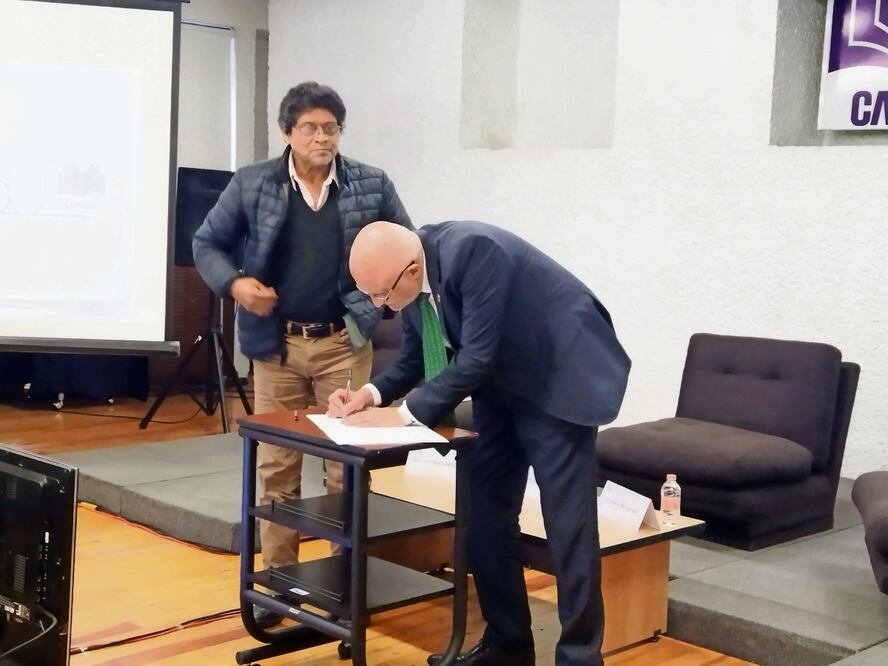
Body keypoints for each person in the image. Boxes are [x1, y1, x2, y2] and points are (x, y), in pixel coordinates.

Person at [328, 220, 630, 666]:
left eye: (381, 296)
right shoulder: (411, 277)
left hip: (560, 379)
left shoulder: (475, 251)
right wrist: (368, 396)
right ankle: (507, 644)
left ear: (410, 271)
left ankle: (580, 658)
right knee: (484, 511)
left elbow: (475, 357)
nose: (380, 307)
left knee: (568, 527)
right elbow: (415, 356)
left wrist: (404, 416)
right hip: (503, 386)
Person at [192, 83, 412, 628]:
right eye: (310, 127)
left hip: (343, 342)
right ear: (287, 133)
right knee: (277, 469)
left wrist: (379, 306)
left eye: (331, 127)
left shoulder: (370, 183)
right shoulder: (254, 183)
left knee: (345, 471)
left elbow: (407, 246)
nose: (322, 137)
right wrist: (236, 285)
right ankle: (279, 587)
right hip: (276, 347)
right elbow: (206, 243)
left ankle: (344, 583)